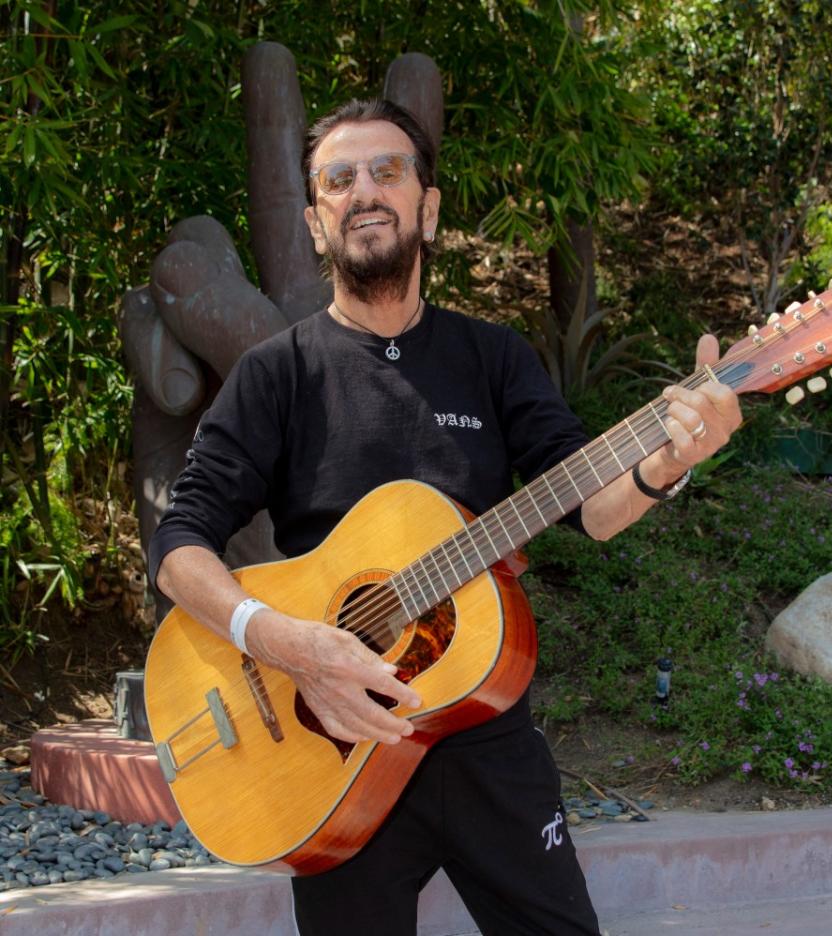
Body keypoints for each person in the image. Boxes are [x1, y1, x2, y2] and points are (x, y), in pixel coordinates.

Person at [149, 97, 742, 935]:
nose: (365, 191)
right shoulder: (275, 374)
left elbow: (590, 508)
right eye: (338, 179)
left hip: (483, 737)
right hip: (330, 750)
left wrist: (668, 459)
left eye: (387, 171)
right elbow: (179, 547)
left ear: (427, 208)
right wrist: (285, 642)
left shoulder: (494, 357)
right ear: (318, 224)